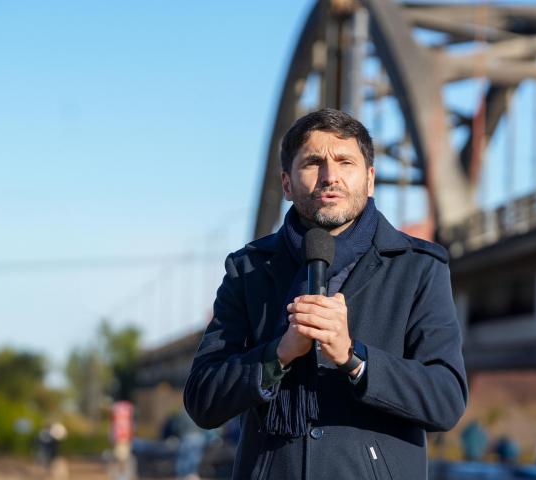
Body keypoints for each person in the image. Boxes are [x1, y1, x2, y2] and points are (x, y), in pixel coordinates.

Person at [183, 108, 467, 479]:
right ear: (286, 184)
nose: (330, 176)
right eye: (313, 162)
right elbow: (203, 400)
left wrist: (354, 358)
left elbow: (446, 400)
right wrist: (279, 354)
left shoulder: (418, 268)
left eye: (345, 162)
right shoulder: (249, 269)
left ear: (369, 180)